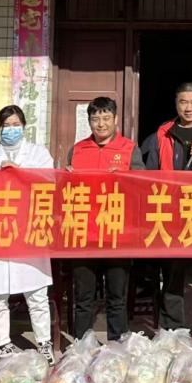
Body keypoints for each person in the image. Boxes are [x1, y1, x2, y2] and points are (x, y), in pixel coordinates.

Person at [0, 105, 55, 363]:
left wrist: (18, 173)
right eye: (6, 125)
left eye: (16, 124)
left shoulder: (39, 154)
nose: (11, 129)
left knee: (37, 293)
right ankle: (4, 345)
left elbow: (49, 183)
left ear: (24, 126)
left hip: (28, 229)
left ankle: (44, 343)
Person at [139, 82, 192, 330]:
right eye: (183, 102)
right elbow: (148, 174)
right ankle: (173, 329)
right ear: (176, 104)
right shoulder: (163, 134)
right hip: (174, 212)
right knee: (173, 272)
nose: (189, 107)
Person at [67, 96, 142, 340]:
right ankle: (82, 345)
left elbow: (142, 188)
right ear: (89, 121)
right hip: (84, 233)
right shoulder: (77, 149)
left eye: (106, 118)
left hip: (117, 233)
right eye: (95, 119)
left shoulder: (129, 149)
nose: (101, 124)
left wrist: (126, 179)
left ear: (116, 119)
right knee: (83, 297)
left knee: (116, 297)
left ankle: (117, 345)